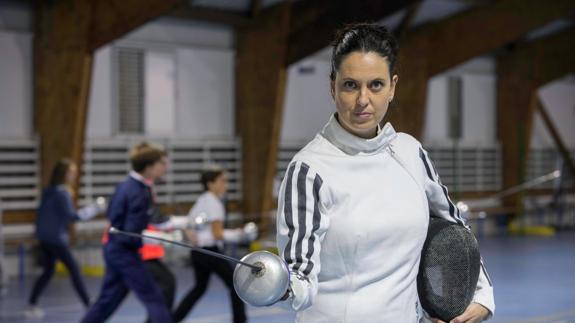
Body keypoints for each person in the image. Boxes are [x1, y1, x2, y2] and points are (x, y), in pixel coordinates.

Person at [275, 23, 495, 323]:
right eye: (350, 85)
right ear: (332, 87)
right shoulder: (310, 169)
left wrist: (482, 295)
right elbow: (299, 274)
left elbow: (454, 226)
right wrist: (276, 283)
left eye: (375, 85)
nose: (363, 100)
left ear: (392, 87)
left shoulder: (410, 153)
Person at [82, 142, 172, 323]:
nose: (165, 167)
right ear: (149, 167)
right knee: (154, 297)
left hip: (116, 250)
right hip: (124, 253)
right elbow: (131, 232)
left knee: (108, 300)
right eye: (161, 164)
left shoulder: (131, 186)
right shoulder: (136, 191)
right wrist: (161, 239)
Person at [25, 159, 104, 319]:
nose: (74, 176)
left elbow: (41, 216)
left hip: (45, 238)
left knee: (48, 271)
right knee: (74, 269)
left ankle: (31, 303)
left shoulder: (48, 191)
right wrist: (95, 208)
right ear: (64, 174)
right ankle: (88, 302)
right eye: (71, 173)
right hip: (55, 240)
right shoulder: (62, 194)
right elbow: (73, 217)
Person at [172, 166, 251, 323]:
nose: (225, 185)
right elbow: (217, 234)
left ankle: (172, 319)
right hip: (209, 252)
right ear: (210, 184)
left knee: (199, 288)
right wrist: (240, 234)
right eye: (222, 181)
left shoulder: (201, 200)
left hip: (197, 252)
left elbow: (188, 225)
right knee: (237, 285)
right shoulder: (214, 203)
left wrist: (193, 236)